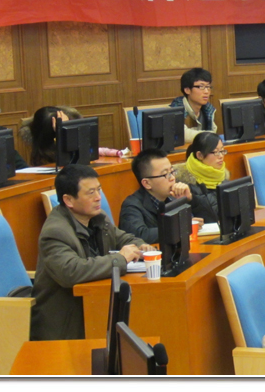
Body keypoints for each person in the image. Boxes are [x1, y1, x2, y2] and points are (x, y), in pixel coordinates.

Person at [30, 164, 155, 340]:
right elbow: (71, 271)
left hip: (93, 307)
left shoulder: (97, 218)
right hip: (66, 324)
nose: (98, 198)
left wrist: (141, 246)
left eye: (99, 190)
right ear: (68, 200)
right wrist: (120, 259)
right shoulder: (55, 232)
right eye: (91, 193)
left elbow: (122, 238)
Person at [119, 149, 202, 244]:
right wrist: (180, 227)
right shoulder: (131, 206)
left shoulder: (173, 197)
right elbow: (141, 235)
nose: (172, 178)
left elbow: (206, 220)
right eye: (165, 174)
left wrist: (188, 200)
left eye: (172, 171)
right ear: (147, 183)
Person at [174, 131, 228, 223]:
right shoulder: (184, 184)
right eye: (216, 152)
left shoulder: (222, 176)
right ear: (200, 155)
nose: (221, 156)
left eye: (222, 151)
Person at [169, 67, 218, 142]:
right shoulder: (175, 110)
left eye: (208, 87)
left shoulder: (208, 110)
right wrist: (209, 135)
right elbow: (182, 134)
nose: (206, 91)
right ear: (187, 90)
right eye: (201, 87)